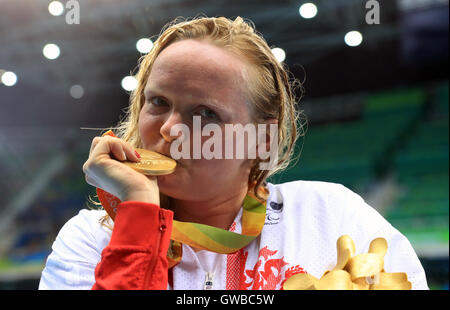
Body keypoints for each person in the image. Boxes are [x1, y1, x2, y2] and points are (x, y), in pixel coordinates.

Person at [38, 16, 428, 290]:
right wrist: (139, 210)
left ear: (261, 138)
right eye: (157, 102)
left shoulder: (333, 217)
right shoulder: (91, 239)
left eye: (205, 113)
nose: (170, 128)